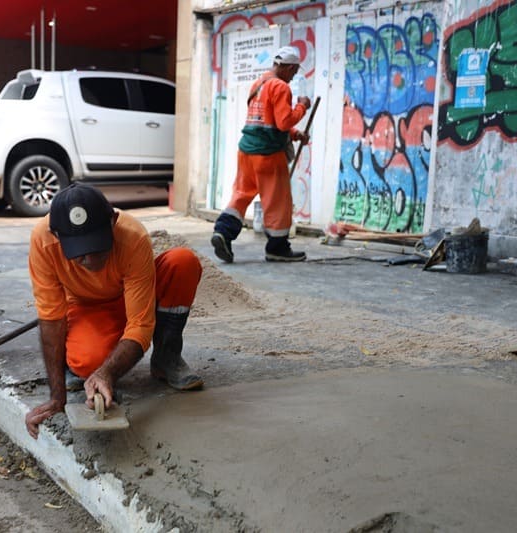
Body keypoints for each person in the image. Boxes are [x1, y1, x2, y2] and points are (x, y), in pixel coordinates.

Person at [25, 183, 203, 439]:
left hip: (131, 298)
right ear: (56, 236)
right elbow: (51, 318)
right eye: (78, 252)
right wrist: (57, 397)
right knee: (87, 361)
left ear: (113, 221)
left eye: (97, 247)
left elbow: (140, 324)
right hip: (86, 308)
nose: (89, 259)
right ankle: (76, 362)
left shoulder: (132, 236)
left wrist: (107, 372)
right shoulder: (42, 240)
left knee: (182, 263)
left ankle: (167, 357)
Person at [211, 45, 312, 263]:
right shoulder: (281, 87)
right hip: (268, 156)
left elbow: (267, 121)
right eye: (294, 72)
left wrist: (295, 134)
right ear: (289, 67)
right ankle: (277, 248)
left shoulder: (259, 84)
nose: (293, 77)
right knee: (278, 202)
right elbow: (283, 121)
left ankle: (223, 232)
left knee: (240, 195)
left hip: (246, 151)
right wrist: (302, 107)